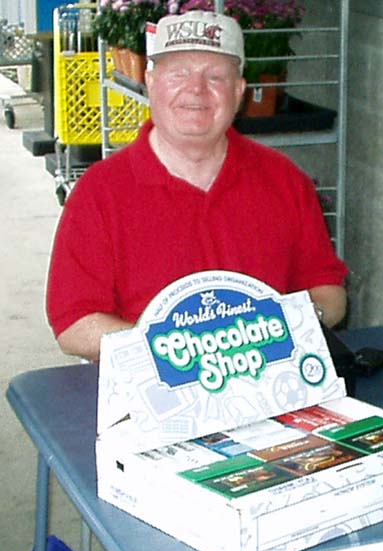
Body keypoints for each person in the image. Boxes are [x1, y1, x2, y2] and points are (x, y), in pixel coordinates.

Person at [46, 10, 347, 362]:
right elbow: (73, 324)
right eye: (178, 74)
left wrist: (287, 327)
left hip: (269, 378)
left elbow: (329, 293)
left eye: (215, 76)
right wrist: (177, 349)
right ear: (151, 82)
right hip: (147, 387)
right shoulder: (99, 192)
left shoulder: (285, 180)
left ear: (239, 92)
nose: (196, 89)